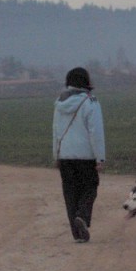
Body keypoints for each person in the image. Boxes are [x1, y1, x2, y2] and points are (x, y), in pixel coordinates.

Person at [52, 67, 106, 243]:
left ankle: (77, 234)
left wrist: (56, 155)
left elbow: (56, 131)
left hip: (65, 156)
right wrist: (100, 158)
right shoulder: (91, 102)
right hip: (86, 156)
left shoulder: (59, 103)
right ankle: (82, 216)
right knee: (90, 187)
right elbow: (95, 132)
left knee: (70, 193)